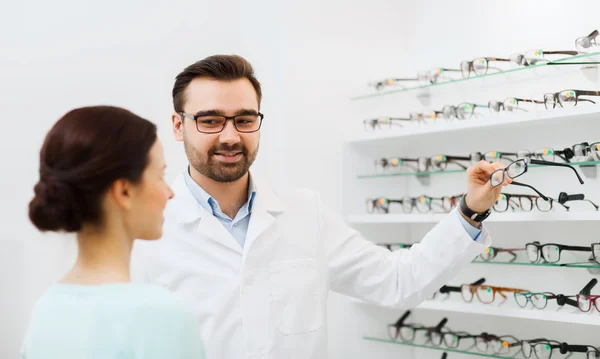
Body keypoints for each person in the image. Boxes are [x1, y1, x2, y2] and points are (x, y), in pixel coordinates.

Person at [130, 55, 510, 359]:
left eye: (244, 120)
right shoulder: (145, 231)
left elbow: (398, 282)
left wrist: (470, 212)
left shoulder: (303, 213)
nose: (230, 136)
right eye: (210, 120)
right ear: (179, 126)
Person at [22, 106, 205, 359]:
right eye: (160, 176)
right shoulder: (160, 315)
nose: (169, 192)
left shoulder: (45, 311)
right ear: (124, 192)